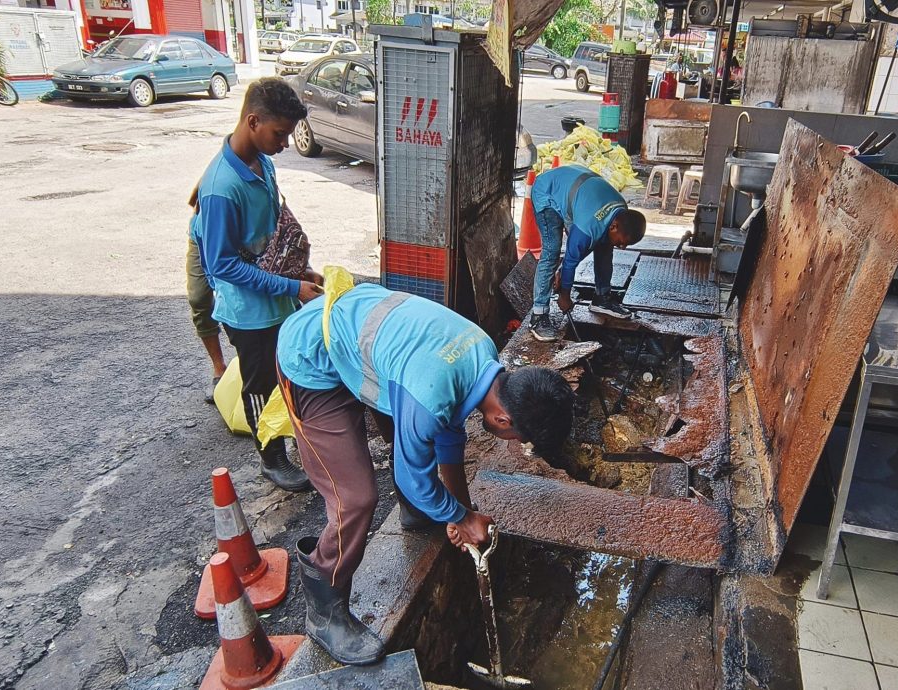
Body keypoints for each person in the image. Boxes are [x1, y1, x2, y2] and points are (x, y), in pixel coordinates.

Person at [275, 283, 575, 665]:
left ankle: (417, 512)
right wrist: (461, 517)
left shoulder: (483, 355)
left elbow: (450, 432)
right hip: (310, 359)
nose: (515, 443)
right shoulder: (431, 393)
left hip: (367, 339)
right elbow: (410, 475)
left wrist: (461, 511)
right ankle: (324, 611)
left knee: (416, 446)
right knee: (355, 498)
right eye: (520, 438)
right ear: (504, 418)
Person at [191, 78, 321, 493]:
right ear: (252, 121)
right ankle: (271, 458)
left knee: (287, 370)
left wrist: (300, 271)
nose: (285, 143)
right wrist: (289, 287)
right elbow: (222, 265)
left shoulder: (261, 163)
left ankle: (289, 437)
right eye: (279, 134)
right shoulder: (220, 189)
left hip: (276, 296)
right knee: (259, 382)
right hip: (247, 311)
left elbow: (272, 229)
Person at [527, 165, 647, 342]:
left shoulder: (620, 210)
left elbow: (579, 252)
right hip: (548, 191)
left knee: (605, 247)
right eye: (622, 242)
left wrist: (563, 273)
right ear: (614, 226)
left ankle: (601, 298)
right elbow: (571, 259)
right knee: (551, 252)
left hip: (576, 190)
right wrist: (565, 296)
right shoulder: (587, 228)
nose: (622, 247)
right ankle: (538, 316)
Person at [186, 193, 227, 404]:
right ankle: (219, 368)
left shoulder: (261, 166)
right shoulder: (218, 173)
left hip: (231, 237)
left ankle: (246, 368)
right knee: (199, 298)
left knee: (234, 300)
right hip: (202, 235)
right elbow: (195, 202)